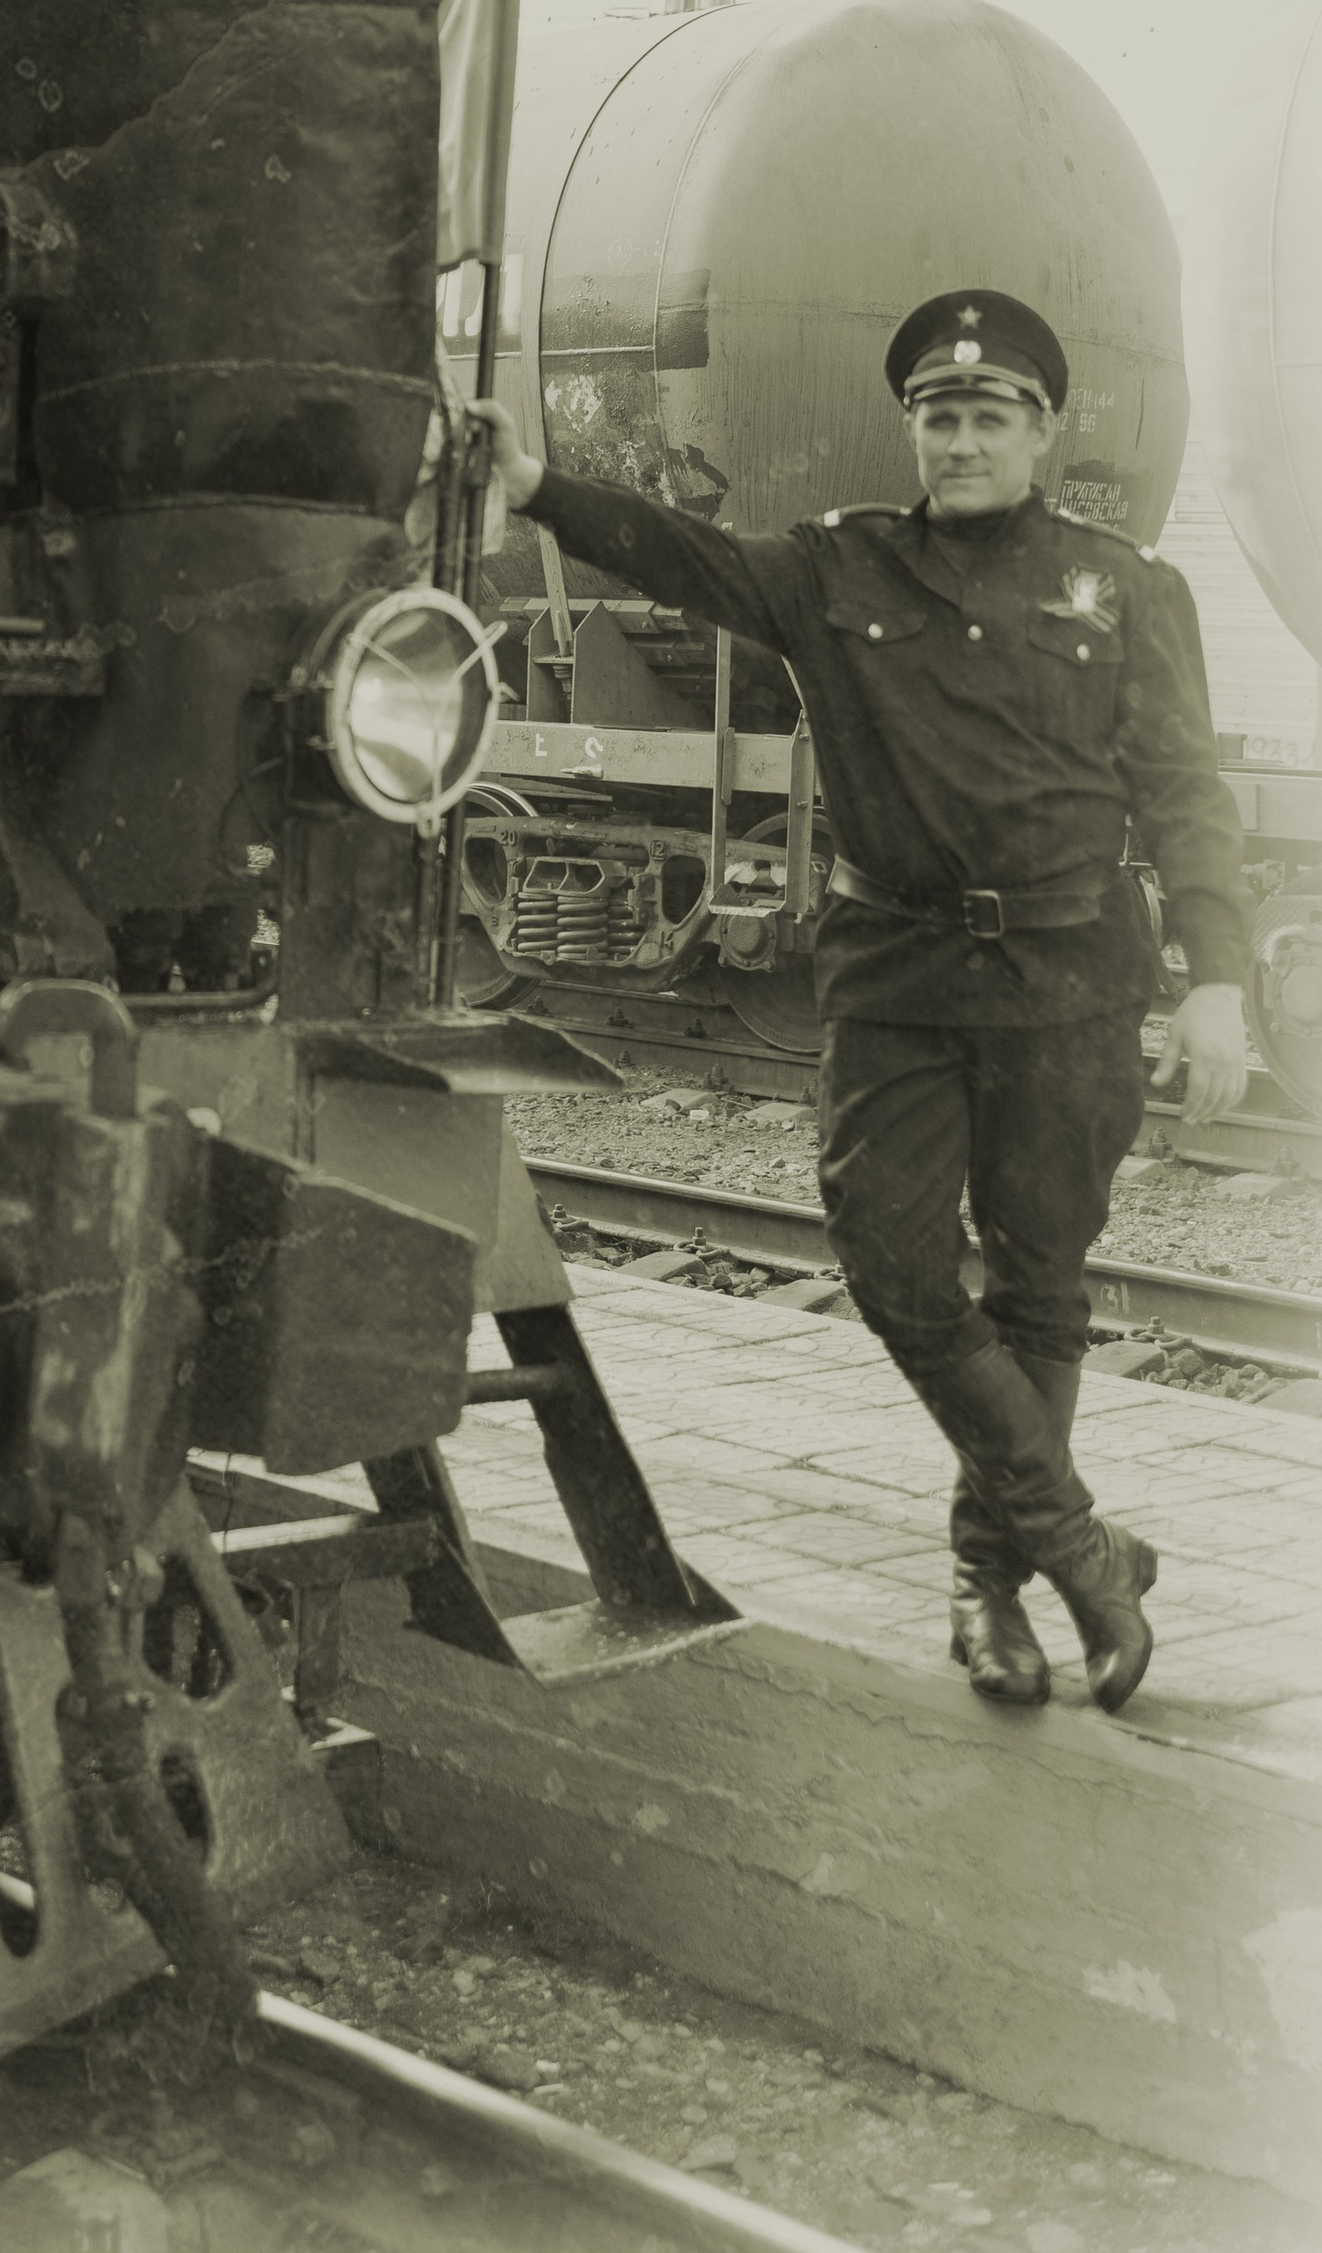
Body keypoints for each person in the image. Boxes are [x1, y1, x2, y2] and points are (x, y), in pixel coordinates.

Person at [463, 287, 1252, 1715]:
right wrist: (538, 489)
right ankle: (1082, 1553)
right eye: (940, 416)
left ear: (1042, 432)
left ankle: (987, 1587)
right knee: (891, 1269)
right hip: (899, 977)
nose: (963, 441)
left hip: (1070, 983)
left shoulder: (1129, 589)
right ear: (912, 430)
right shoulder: (839, 569)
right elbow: (688, 555)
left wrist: (1222, 986)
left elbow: (1190, 800)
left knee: (1040, 1290)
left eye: (991, 416)